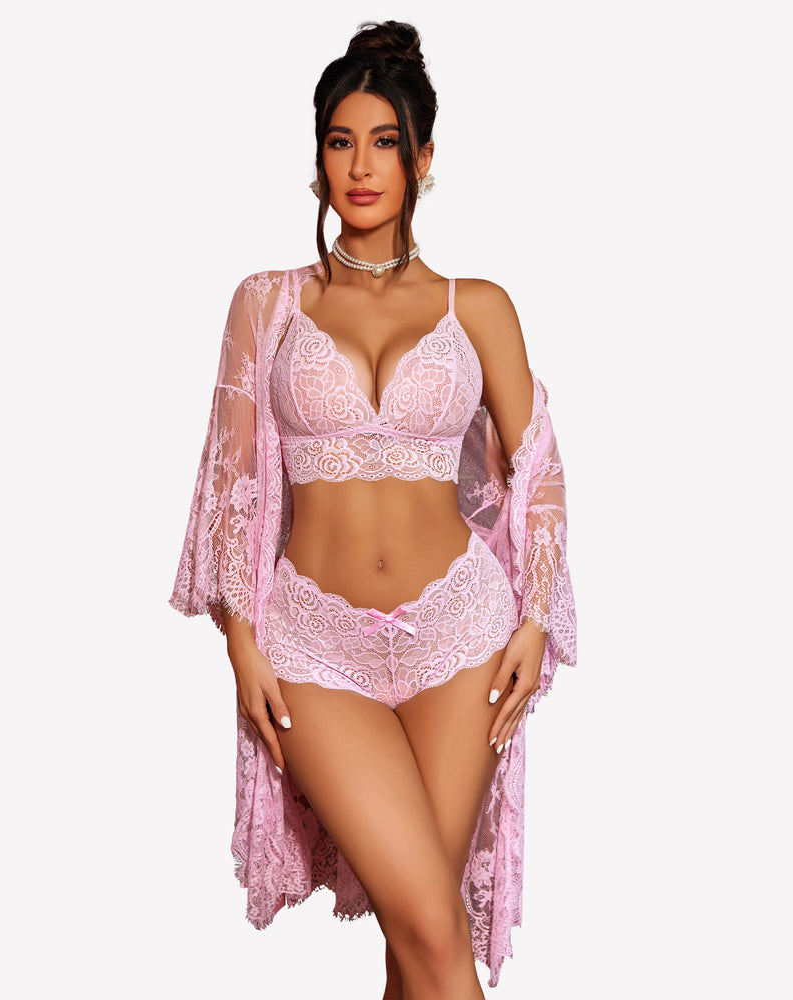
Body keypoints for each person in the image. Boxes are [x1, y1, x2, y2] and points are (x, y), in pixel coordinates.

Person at [170, 19, 576, 998]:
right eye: (340, 141)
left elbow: (541, 472)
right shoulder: (265, 303)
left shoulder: (479, 306)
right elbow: (230, 482)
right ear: (317, 158)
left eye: (384, 142)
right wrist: (241, 642)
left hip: (460, 638)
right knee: (431, 928)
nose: (360, 166)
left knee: (418, 941)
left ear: (422, 159)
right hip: (313, 647)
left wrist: (532, 619)